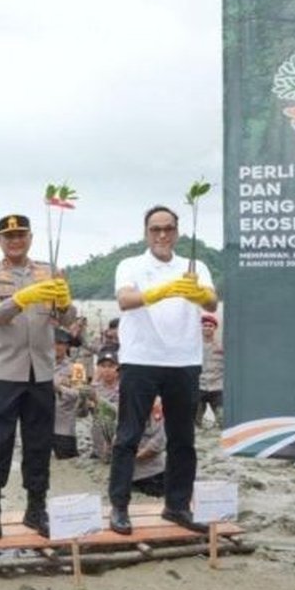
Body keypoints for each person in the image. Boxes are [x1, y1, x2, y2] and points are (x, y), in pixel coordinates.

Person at [107, 205, 218, 536]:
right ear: (146, 233)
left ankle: (178, 505)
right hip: (141, 358)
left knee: (183, 438)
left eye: (168, 228)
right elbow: (124, 300)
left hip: (183, 359)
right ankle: (119, 506)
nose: (162, 235)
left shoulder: (194, 266)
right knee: (128, 435)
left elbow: (212, 303)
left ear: (177, 232)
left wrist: (199, 292)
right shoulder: (130, 264)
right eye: (155, 229)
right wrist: (162, 291)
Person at [0, 214, 75, 539]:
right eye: (9, 236)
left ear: (30, 238)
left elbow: (68, 319)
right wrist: (22, 298)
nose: (15, 241)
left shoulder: (48, 270)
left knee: (39, 443)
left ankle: (36, 509)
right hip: (5, 372)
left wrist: (64, 301)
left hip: (41, 371)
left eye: (21, 235)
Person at [52, 327, 84, 459]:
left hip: (63, 427)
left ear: (67, 346)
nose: (56, 347)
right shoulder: (40, 365)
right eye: (53, 343)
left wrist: (59, 388)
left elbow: (79, 394)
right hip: (40, 425)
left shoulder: (77, 367)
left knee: (67, 459)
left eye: (60, 343)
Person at [198, 313, 225, 429]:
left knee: (223, 419)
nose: (207, 328)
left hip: (217, 387)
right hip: (199, 387)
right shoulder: (194, 346)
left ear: (215, 328)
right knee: (194, 421)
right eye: (205, 325)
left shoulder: (221, 346)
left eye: (210, 326)